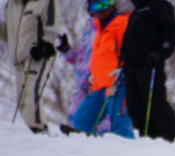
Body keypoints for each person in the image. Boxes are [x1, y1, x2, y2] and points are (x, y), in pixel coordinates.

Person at [120, 0, 175, 142]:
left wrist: (161, 53)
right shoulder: (135, 13)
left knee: (154, 102)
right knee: (135, 105)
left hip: (149, 64)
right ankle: (148, 138)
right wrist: (123, 58)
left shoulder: (159, 5)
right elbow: (128, 39)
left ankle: (173, 139)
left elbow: (171, 32)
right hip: (130, 66)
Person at [71, 0, 134, 138]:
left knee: (119, 125)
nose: (100, 10)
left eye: (104, 4)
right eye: (95, 6)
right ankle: (86, 152)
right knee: (82, 120)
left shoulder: (122, 23)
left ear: (112, 4)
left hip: (117, 85)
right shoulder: (99, 28)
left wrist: (125, 70)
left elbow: (134, 50)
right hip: (99, 85)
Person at [4, 0, 65, 134]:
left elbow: (51, 24)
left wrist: (47, 42)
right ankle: (29, 130)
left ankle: (37, 126)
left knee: (32, 90)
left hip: (36, 55)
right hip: (19, 58)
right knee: (22, 97)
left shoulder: (45, 2)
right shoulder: (12, 5)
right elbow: (7, 30)